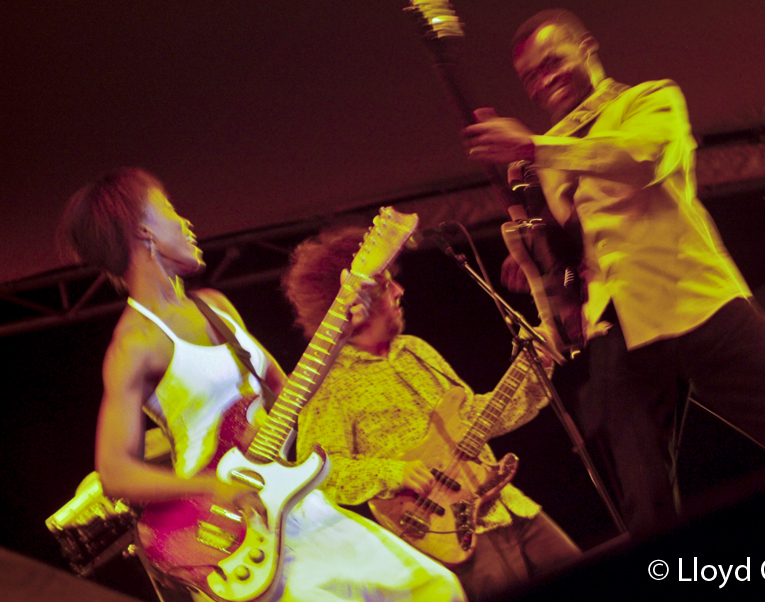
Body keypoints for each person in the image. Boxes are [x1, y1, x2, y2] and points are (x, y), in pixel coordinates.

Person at [462, 9, 765, 536]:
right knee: (645, 505)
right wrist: (536, 259)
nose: (544, 79)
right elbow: (581, 249)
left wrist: (536, 147)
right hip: (620, 329)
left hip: (701, 305)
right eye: (530, 76)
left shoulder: (648, 100)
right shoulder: (546, 159)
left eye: (553, 61)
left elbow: (640, 159)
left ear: (587, 47)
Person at [58, 167, 465, 602]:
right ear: (145, 231)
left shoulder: (215, 305)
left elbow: (287, 392)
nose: (187, 223)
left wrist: (341, 328)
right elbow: (116, 473)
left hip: (292, 502)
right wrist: (217, 486)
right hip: (225, 524)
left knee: (437, 588)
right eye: (171, 211)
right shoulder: (135, 343)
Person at [284, 226, 581, 602]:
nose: (399, 291)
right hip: (442, 536)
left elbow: (479, 420)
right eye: (385, 283)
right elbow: (320, 474)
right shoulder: (326, 382)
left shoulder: (416, 350)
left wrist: (535, 370)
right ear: (349, 302)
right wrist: (395, 472)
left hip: (508, 507)